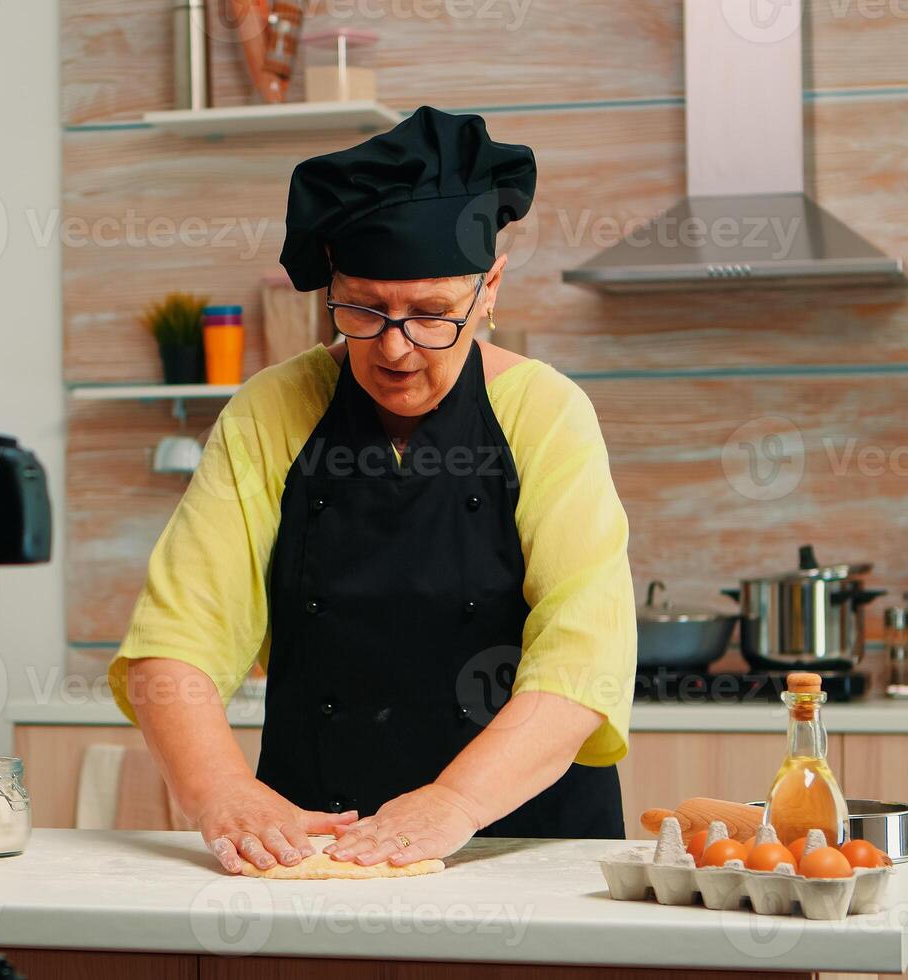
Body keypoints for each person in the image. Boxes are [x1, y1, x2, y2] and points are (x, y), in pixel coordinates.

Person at [109, 108, 635, 875]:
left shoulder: (547, 414)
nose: (393, 348)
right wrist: (223, 792)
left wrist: (453, 802)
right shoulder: (269, 411)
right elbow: (174, 645)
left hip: (526, 848)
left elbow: (581, 664)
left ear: (488, 289)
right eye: (363, 308)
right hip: (314, 849)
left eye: (430, 316)